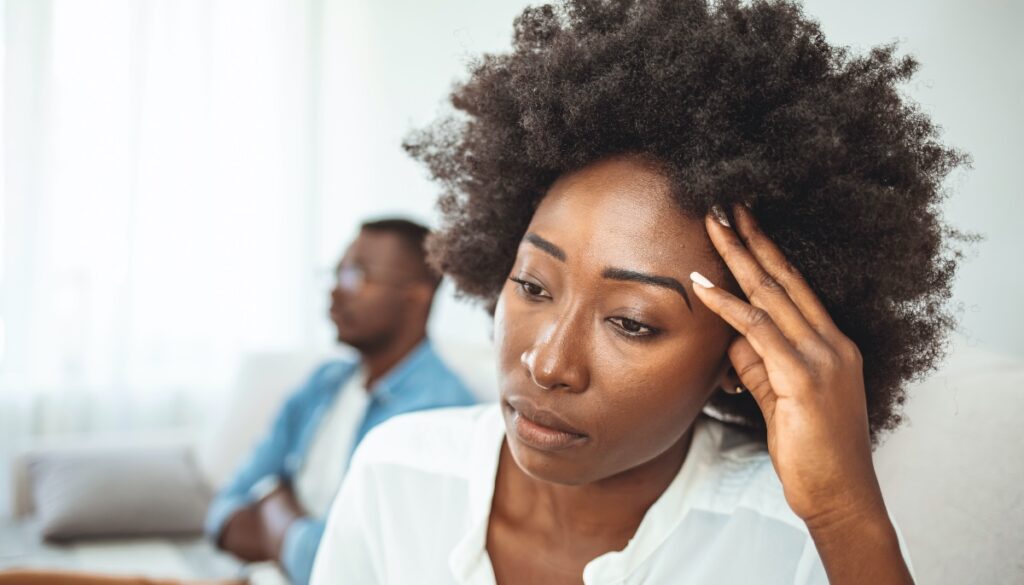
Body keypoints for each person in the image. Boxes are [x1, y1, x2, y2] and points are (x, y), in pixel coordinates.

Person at [310, 1, 967, 583]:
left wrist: (844, 512)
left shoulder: (794, 538)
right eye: (534, 285)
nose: (548, 363)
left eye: (630, 322)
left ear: (741, 356)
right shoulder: (399, 474)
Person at [206, 218, 477, 584]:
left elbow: (354, 573)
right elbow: (223, 512)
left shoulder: (442, 413)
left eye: (356, 275)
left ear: (417, 295)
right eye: (335, 275)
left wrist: (273, 508)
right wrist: (295, 542)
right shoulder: (324, 383)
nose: (335, 291)